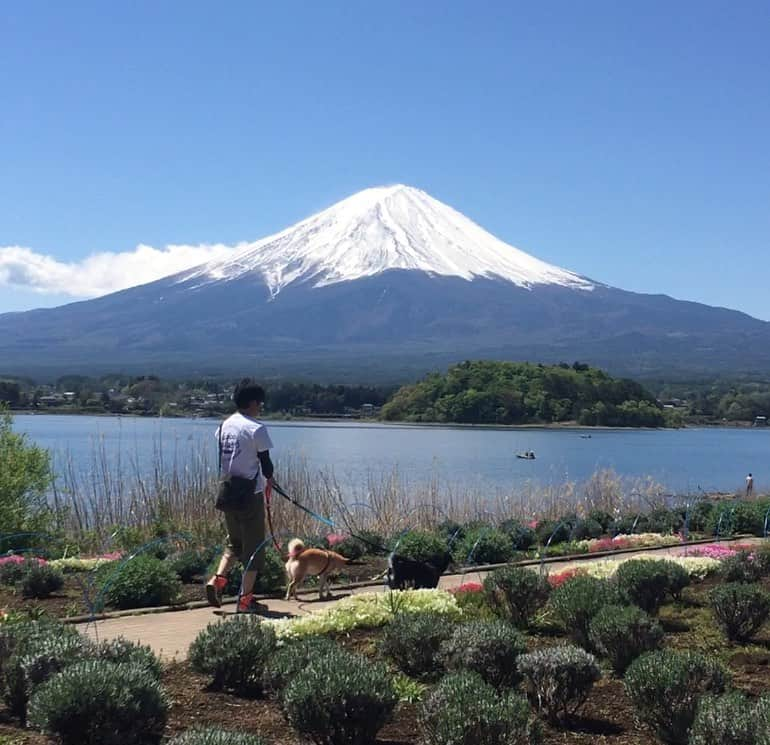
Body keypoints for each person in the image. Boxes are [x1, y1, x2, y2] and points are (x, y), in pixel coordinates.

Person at [206, 379, 275, 613]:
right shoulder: (256, 428)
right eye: (260, 403)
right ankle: (245, 601)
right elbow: (266, 464)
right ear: (254, 402)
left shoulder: (225, 425)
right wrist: (270, 482)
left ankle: (217, 580)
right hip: (249, 494)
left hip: (227, 491)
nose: (261, 407)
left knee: (234, 543)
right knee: (254, 549)